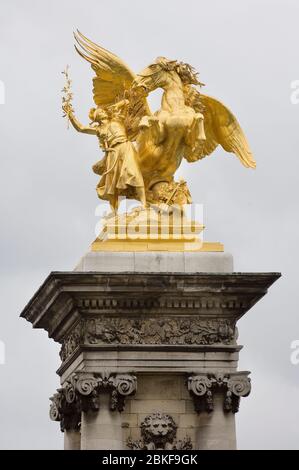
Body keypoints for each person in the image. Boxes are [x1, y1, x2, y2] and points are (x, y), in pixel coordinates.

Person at [63, 99, 146, 212]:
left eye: (102, 111)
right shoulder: (99, 129)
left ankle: (144, 204)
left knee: (134, 172)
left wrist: (115, 105)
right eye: (99, 112)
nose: (101, 112)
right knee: (111, 183)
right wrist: (71, 115)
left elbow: (126, 102)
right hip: (112, 153)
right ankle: (114, 213)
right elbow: (81, 128)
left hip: (125, 146)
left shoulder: (117, 118)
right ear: (97, 118)